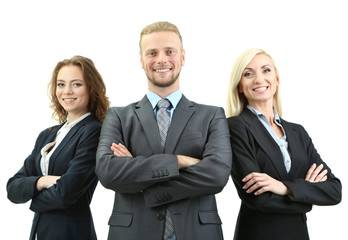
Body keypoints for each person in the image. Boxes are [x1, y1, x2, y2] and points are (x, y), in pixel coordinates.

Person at [96, 21, 232, 240]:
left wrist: (137, 172)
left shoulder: (212, 115)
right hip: (134, 233)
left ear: (183, 57)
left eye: (170, 51)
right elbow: (108, 172)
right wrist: (180, 161)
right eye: (152, 53)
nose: (161, 60)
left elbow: (217, 175)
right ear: (141, 60)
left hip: (197, 233)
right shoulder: (118, 117)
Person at [226, 48, 342, 240]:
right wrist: (306, 197)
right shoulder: (235, 127)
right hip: (259, 234)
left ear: (277, 80)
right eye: (248, 74)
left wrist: (284, 188)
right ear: (239, 86)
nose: (259, 79)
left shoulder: (298, 132)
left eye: (266, 70)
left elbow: (334, 190)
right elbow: (257, 198)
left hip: (298, 234)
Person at [7, 56, 110, 240]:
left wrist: (32, 196)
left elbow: (66, 193)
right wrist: (42, 181)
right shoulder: (47, 134)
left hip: (72, 233)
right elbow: (13, 188)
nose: (67, 91)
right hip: (40, 233)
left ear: (91, 88)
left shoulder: (93, 131)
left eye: (76, 84)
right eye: (61, 84)